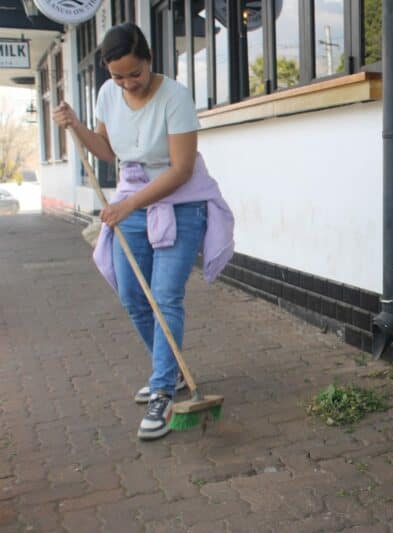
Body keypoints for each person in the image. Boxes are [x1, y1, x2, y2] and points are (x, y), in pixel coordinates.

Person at [53, 22, 234, 441]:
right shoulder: (107, 94)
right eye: (118, 77)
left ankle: (162, 390)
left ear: (149, 60)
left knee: (165, 295)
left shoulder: (175, 97)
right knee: (133, 295)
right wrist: (75, 125)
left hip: (179, 203)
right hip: (130, 202)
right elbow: (107, 150)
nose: (127, 83)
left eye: (134, 73)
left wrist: (127, 205)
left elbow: (181, 168)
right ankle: (167, 372)